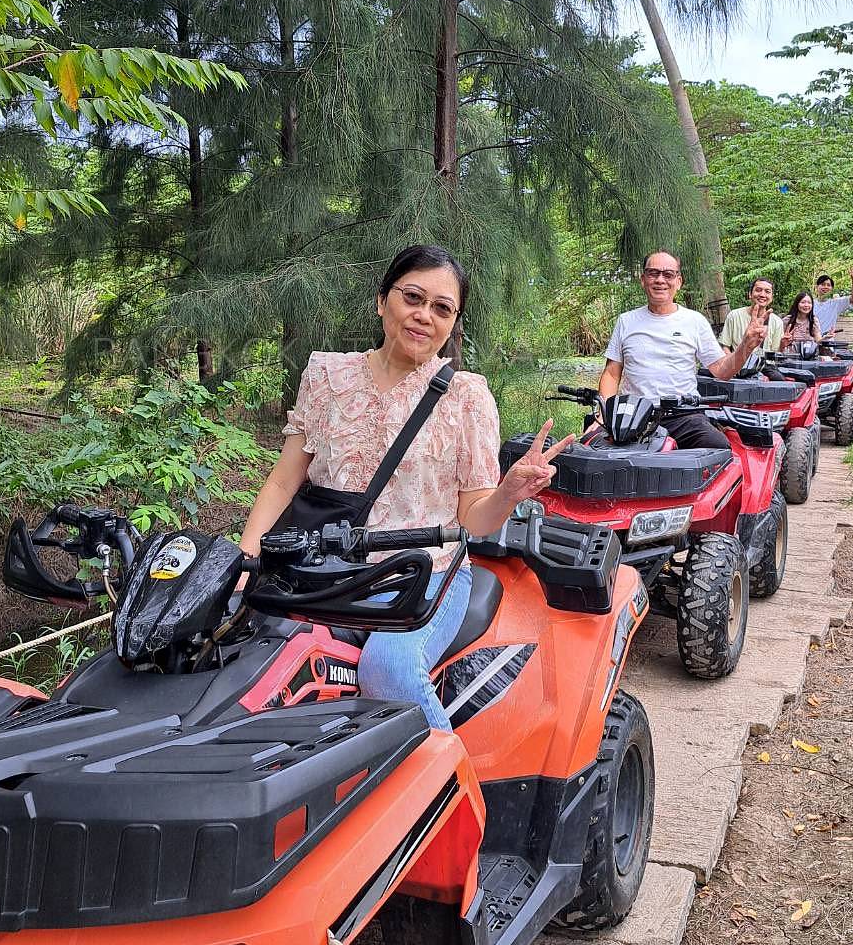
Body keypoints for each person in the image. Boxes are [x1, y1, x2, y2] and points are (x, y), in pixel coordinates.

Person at [238, 244, 576, 731]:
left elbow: (472, 518)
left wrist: (508, 493)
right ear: (382, 301)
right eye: (412, 297)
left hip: (423, 573)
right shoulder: (328, 376)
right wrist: (245, 560)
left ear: (453, 323)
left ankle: (453, 798)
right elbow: (283, 479)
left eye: (442, 308)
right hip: (320, 569)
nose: (423, 316)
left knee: (388, 669)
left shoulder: (466, 396)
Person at [598, 250, 766, 451]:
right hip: (632, 415)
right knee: (590, 451)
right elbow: (611, 373)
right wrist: (604, 413)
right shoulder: (626, 321)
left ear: (679, 281)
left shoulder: (694, 321)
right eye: (653, 273)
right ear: (643, 279)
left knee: (719, 448)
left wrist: (745, 347)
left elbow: (722, 370)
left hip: (684, 415)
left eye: (668, 274)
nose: (660, 280)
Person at [721, 277, 784, 355]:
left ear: (771, 297)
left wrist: (783, 344)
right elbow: (725, 347)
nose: (762, 295)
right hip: (738, 364)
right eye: (758, 290)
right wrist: (732, 364)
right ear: (750, 294)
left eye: (767, 292)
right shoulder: (734, 316)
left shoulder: (777, 322)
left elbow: (775, 353)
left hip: (764, 366)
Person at [814, 268, 853, 337]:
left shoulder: (836, 303)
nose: (825, 287)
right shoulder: (810, 304)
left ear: (832, 289)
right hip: (810, 341)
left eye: (828, 285)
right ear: (816, 287)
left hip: (827, 341)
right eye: (822, 284)